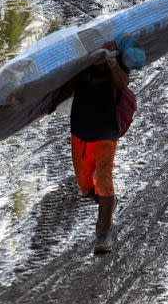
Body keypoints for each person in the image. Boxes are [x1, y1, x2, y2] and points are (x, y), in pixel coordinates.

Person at [50, 34, 145, 253]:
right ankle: (108, 203)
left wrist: (110, 61)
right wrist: (51, 105)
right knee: (85, 186)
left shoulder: (118, 64)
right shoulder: (83, 65)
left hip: (105, 130)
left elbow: (123, 83)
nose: (106, 45)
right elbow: (70, 85)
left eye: (110, 45)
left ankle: (103, 234)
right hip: (81, 129)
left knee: (103, 180)